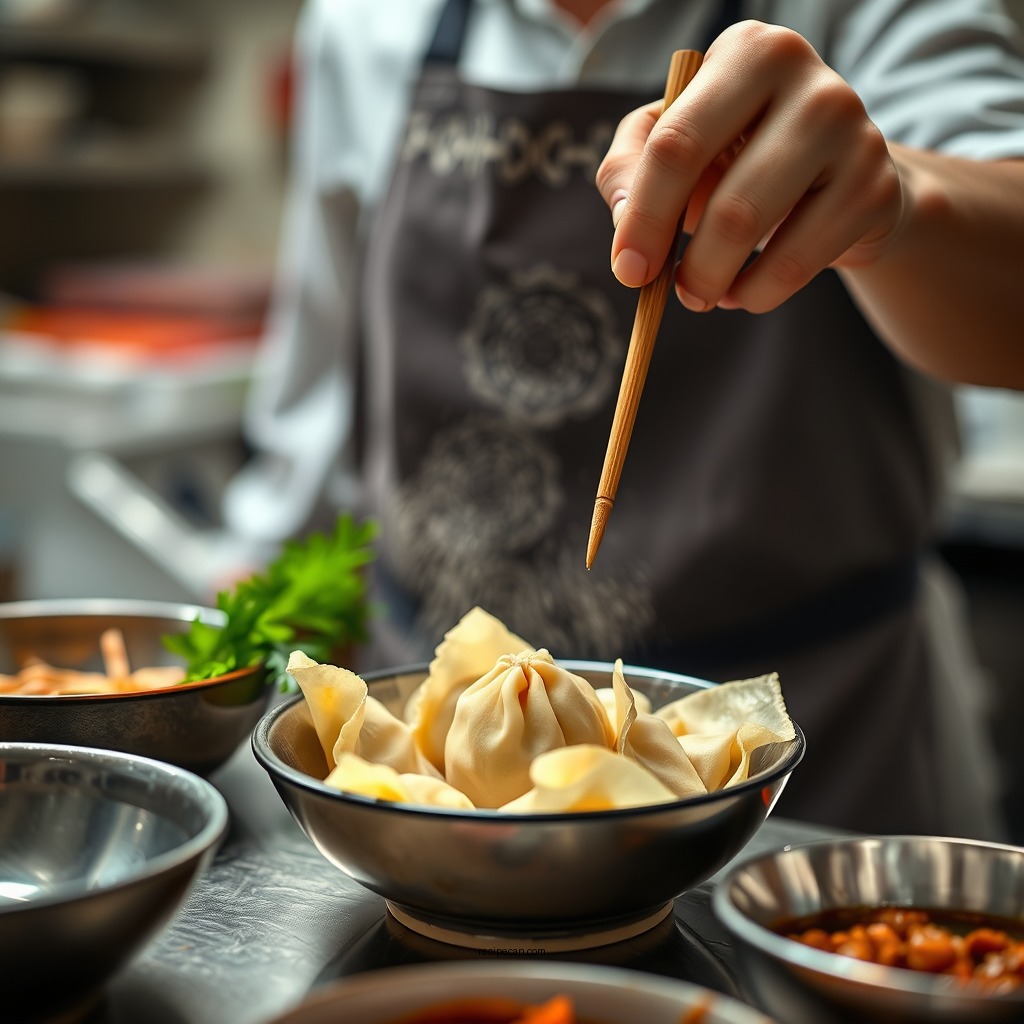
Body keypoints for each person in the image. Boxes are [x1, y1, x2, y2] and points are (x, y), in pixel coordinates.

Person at [222, 0, 1024, 839]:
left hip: (816, 787)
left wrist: (889, 203)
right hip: (435, 798)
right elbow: (318, 426)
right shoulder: (361, 23)